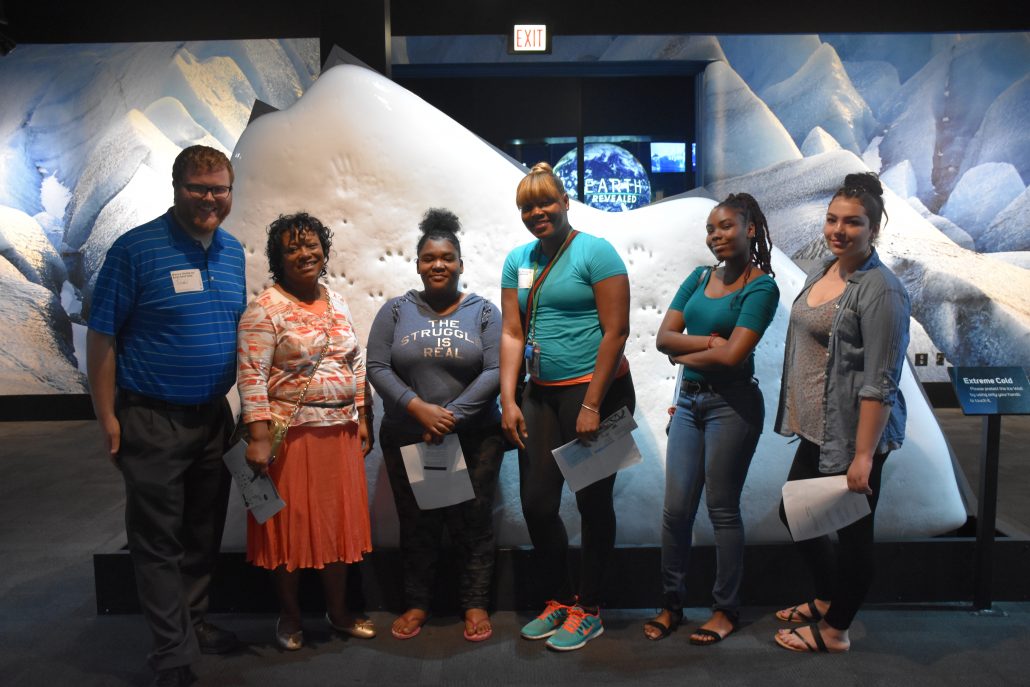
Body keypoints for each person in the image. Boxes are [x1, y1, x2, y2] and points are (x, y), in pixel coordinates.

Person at [87, 145, 245, 687]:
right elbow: (103, 335)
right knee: (157, 540)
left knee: (202, 533)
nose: (209, 198)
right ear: (176, 188)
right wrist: (106, 415)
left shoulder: (233, 252)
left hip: (212, 418)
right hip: (151, 418)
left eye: (218, 188)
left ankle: (194, 623)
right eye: (197, 187)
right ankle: (172, 653)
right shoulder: (135, 250)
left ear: (230, 191)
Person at [772, 172, 910, 654]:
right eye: (832, 219)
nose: (839, 230)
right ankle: (829, 597)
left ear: (873, 228)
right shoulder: (824, 271)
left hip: (856, 437)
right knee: (795, 516)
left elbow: (880, 380)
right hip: (819, 429)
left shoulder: (881, 290)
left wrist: (864, 457)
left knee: (854, 534)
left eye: (853, 222)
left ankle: (836, 630)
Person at [500, 162, 634, 652]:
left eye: (545, 202)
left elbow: (616, 331)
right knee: (538, 503)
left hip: (597, 392)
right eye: (527, 206)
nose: (537, 212)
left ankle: (591, 607)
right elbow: (513, 332)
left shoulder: (596, 252)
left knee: (593, 503)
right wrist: (509, 397)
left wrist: (594, 404)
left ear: (565, 202)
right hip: (539, 395)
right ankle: (558, 597)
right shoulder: (518, 260)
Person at [644, 194, 779, 645]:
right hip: (689, 402)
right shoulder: (698, 277)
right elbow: (664, 339)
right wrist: (710, 343)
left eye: (725, 226)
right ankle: (671, 604)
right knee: (675, 511)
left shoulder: (761, 287)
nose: (716, 235)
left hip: (732, 405)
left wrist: (696, 346)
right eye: (710, 229)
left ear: (750, 229)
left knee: (721, 510)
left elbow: (736, 354)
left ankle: (725, 610)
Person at [237, 212, 375, 652]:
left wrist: (363, 414)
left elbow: (354, 361)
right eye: (293, 247)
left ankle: (338, 612)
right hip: (290, 438)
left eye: (312, 245)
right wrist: (258, 435)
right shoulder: (265, 309)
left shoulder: (337, 302)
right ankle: (291, 615)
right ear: (278, 258)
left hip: (340, 433)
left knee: (336, 525)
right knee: (289, 527)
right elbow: (251, 375)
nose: (305, 254)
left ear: (325, 250)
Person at [366, 208, 504, 642]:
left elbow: (497, 370)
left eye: (446, 257)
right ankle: (417, 602)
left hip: (474, 436)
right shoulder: (396, 310)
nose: (438, 265)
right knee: (419, 522)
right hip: (411, 434)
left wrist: (450, 416)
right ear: (418, 263)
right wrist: (417, 408)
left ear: (460, 264)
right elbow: (377, 366)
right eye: (429, 258)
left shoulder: (483, 311)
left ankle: (476, 603)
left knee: (473, 522)